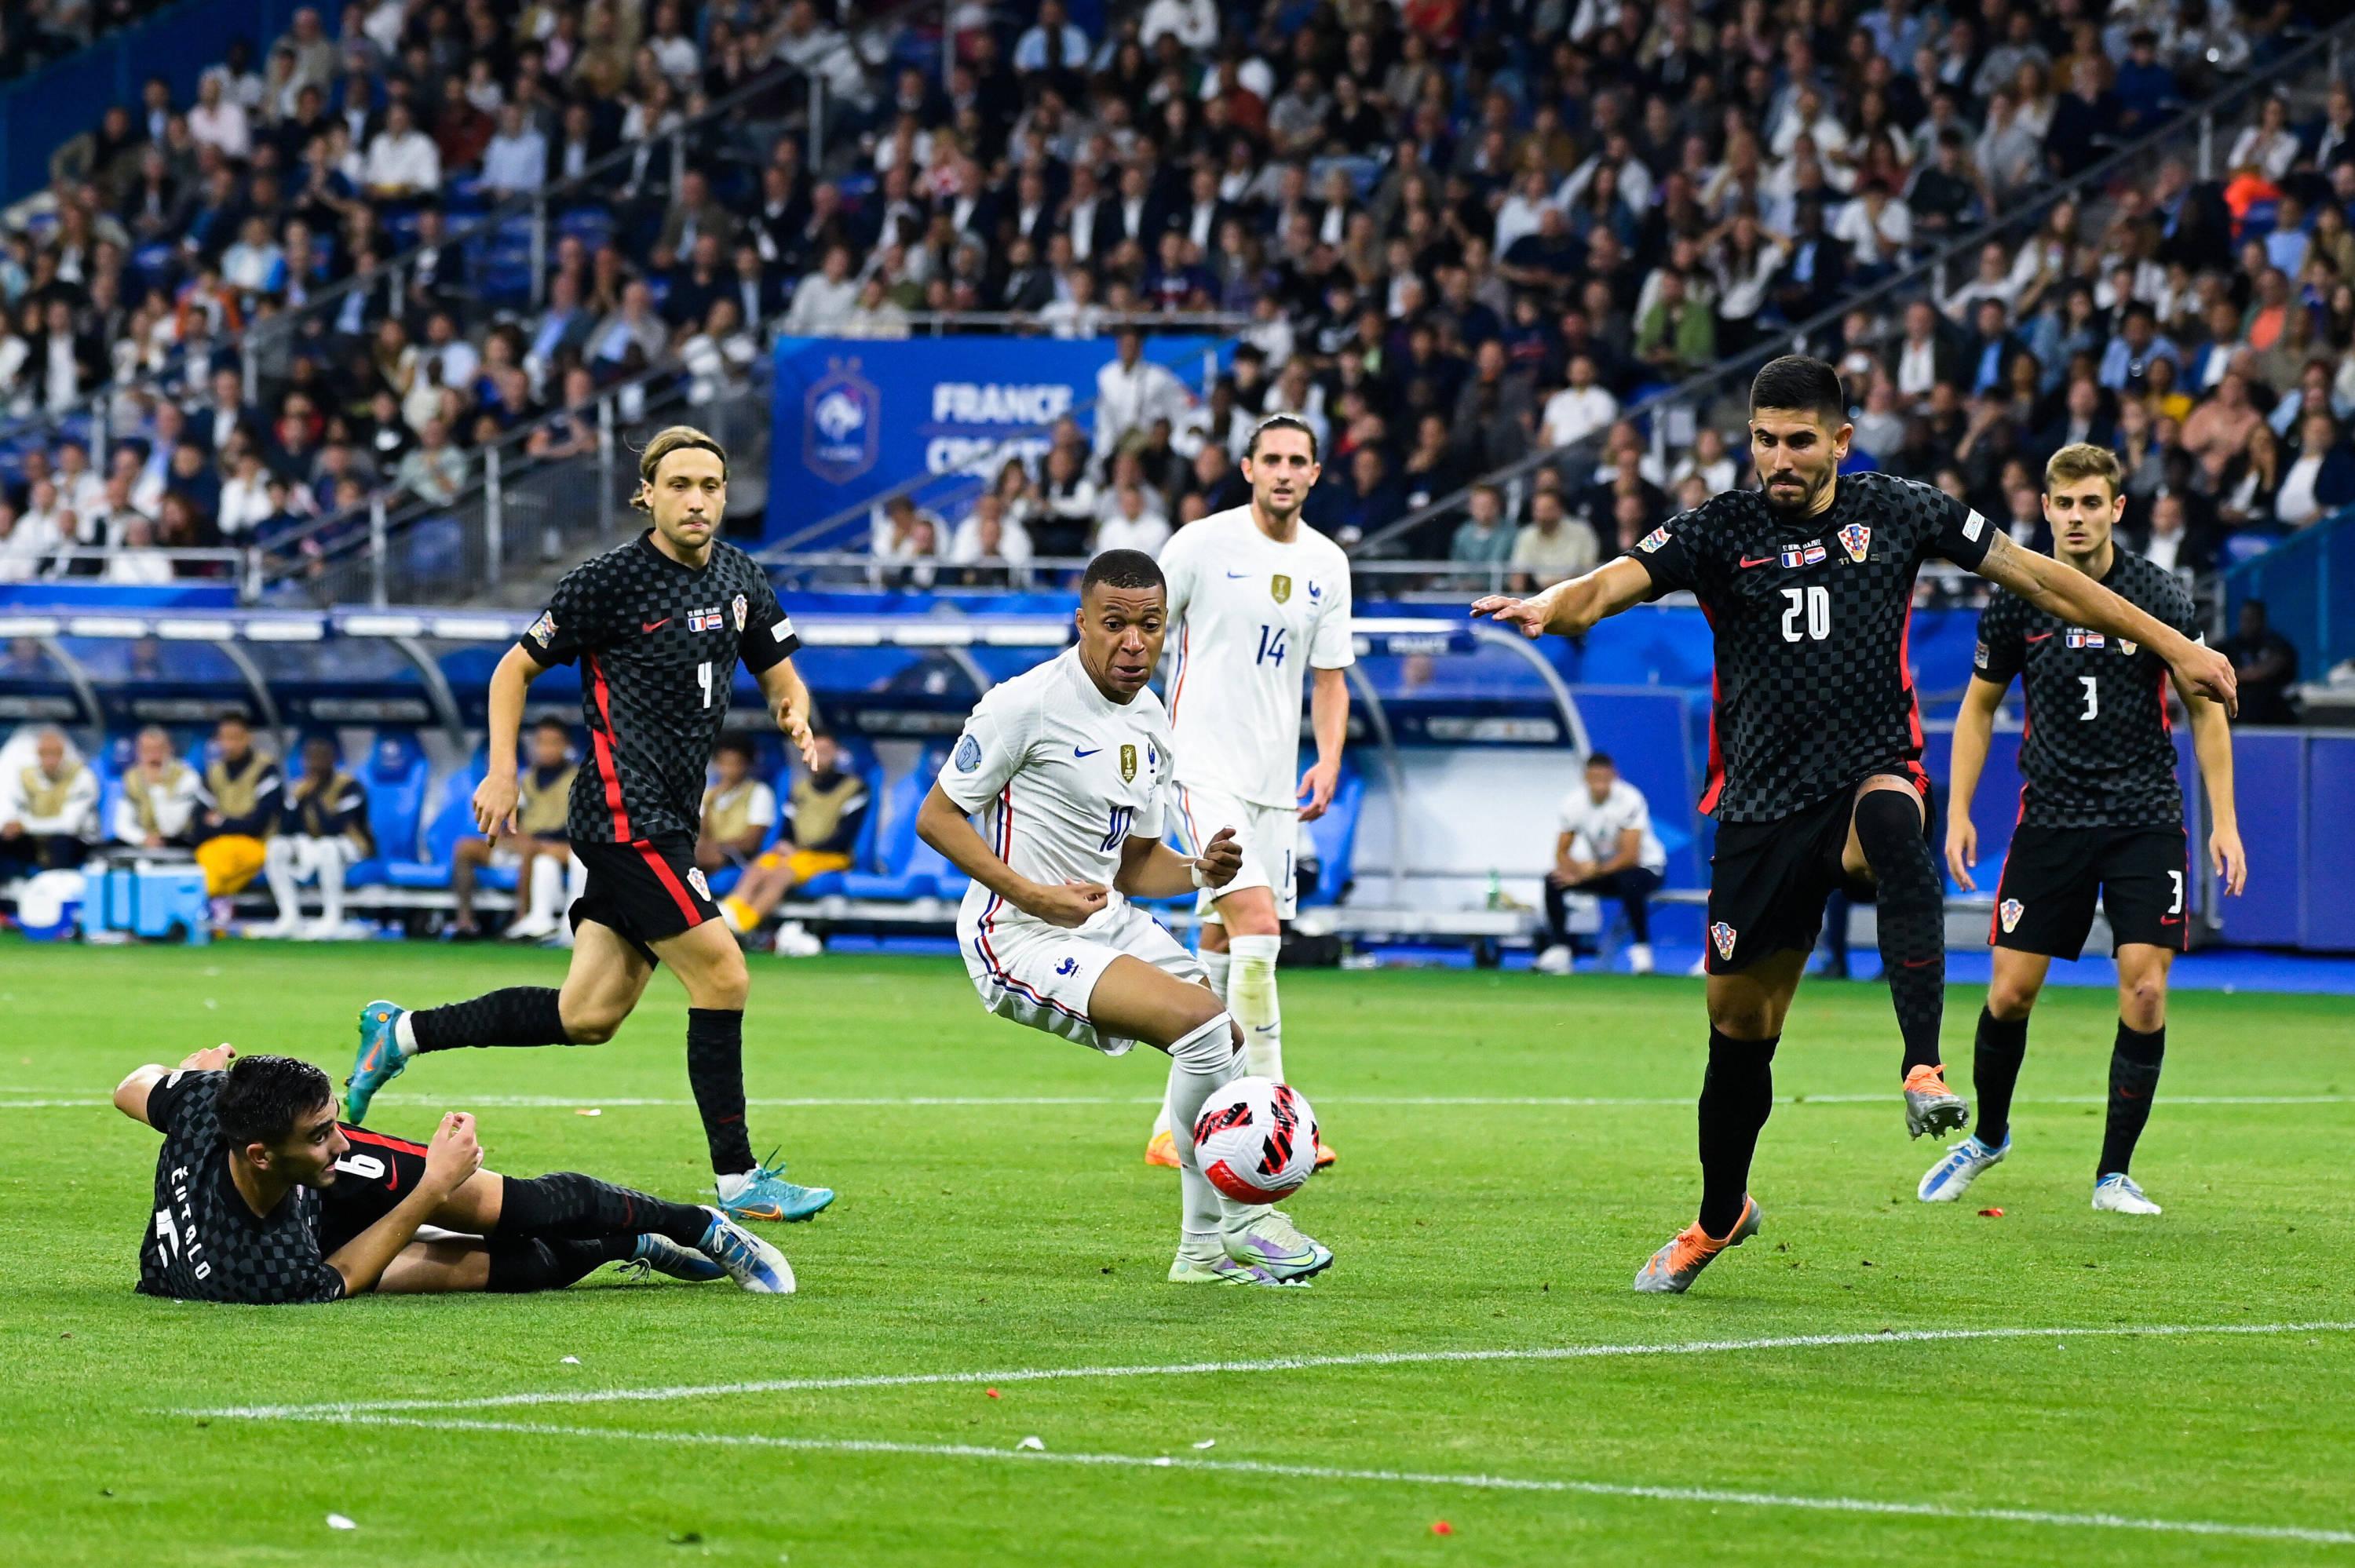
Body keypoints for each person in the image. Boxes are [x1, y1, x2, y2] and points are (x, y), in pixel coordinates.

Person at [1473, 356, 2237, 1294]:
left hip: (1870, 772)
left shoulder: (1902, 509)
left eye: (1800, 441)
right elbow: (1618, 580)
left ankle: (1923, 1065)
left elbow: (2044, 579)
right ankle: (1721, 1217)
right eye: (1765, 440)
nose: (1780, 459)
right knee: (1738, 1030)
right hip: (1759, 807)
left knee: (1890, 818)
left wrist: (2173, 644)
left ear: (1841, 439)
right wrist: (1550, 603)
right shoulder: (1722, 528)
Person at [341, 427, 837, 1226]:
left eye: (711, 484)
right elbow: (514, 668)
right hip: (619, 812)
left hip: (671, 821)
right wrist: (501, 771)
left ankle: (399, 1035)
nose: (699, 499)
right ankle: (740, 1179)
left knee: (588, 1017)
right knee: (724, 974)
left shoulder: (743, 578)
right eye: (680, 485)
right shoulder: (608, 582)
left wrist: (793, 712)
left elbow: (781, 671)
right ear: (647, 494)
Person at [913, 549, 1325, 1285]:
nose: (1133, 642)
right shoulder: (1025, 703)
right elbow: (937, 818)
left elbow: (1134, 865)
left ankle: (1203, 1255)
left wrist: (1200, 870)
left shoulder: (1151, 719)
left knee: (1220, 1035)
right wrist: (1033, 895)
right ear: (1082, 622)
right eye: (1114, 625)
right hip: (1016, 933)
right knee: (1202, 1027)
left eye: (1150, 626)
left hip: (1104, 915)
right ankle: (1242, 1227)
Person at [1929, 443, 2245, 1216]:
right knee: (2010, 993)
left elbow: (2205, 705)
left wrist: (2224, 822)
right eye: (2064, 504)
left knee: (2143, 990)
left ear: (2116, 510)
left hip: (2144, 817)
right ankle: (1991, 1136)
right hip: (2054, 819)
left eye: (2090, 504)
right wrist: (1962, 810)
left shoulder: (2158, 595)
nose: (2076, 517)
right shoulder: (2018, 596)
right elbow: (1977, 708)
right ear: (2046, 509)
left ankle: (2113, 1175)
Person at [117, 1045, 792, 1302]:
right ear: (261, 1153)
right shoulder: (256, 1272)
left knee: (523, 1207)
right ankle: (636, 1246)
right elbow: (343, 1277)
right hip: (313, 1250)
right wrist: (432, 1188)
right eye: (321, 1133)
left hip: (311, 1195)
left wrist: (191, 1072)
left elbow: (131, 1085)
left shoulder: (210, 1107)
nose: (341, 1139)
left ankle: (701, 1226)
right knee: (515, 1268)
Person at [1141, 415, 1349, 1173]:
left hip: (1273, 788)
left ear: (1316, 474)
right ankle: (1280, 1112)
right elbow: (1143, 638)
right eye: (1273, 460)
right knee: (1260, 931)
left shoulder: (1329, 562)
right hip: (1200, 771)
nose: (1286, 472)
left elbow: (1330, 677)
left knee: (1227, 948)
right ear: (1249, 468)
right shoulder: (1200, 543)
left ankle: (1172, 1127)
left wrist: (1327, 759)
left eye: (1299, 461)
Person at [717, 731, 869, 950]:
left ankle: (744, 924)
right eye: (814, 751)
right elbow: (787, 831)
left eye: (825, 751)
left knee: (782, 872)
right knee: (762, 865)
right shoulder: (799, 790)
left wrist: (797, 851)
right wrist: (785, 846)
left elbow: (844, 838)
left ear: (837, 754)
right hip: (798, 854)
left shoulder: (854, 789)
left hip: (832, 857)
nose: (820, 757)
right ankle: (731, 911)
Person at [1535, 753, 1667, 975]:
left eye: (1605, 779)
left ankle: (1642, 952)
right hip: (1604, 873)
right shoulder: (1573, 803)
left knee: (1630, 880)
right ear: (1585, 778)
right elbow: (1561, 853)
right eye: (1595, 779)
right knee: (1554, 880)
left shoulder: (1630, 799)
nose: (1600, 785)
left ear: (1614, 776)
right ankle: (1560, 949)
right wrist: (1575, 870)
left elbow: (1630, 857)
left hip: (1647, 869)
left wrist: (1590, 872)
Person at [449, 717, 576, 941]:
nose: (546, 749)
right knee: (465, 847)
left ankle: (521, 920)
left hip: (558, 846)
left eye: (553, 742)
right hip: (523, 842)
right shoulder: (526, 778)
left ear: (566, 745)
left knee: (529, 849)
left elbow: (577, 824)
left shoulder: (577, 778)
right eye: (541, 742)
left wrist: (538, 841)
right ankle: (465, 922)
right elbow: (513, 818)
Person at [257, 734, 374, 940]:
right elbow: (286, 828)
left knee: (328, 847)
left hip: (352, 847)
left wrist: (314, 797)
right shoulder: (299, 788)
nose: (315, 765)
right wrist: (297, 800)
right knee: (277, 846)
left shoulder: (349, 787)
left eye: (321, 758)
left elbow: (334, 828)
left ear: (332, 760)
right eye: (310, 759)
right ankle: (289, 916)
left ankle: (332, 917)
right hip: (312, 846)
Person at [193, 713, 281, 899]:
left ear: (248, 738)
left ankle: (198, 910)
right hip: (217, 846)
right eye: (225, 738)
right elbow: (199, 824)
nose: (230, 744)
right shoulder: (213, 772)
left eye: (235, 738)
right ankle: (213, 914)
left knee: (219, 865)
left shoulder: (266, 769)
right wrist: (235, 823)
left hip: (256, 846)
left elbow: (257, 825)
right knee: (207, 855)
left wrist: (220, 821)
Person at [0, 725, 98, 873]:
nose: (50, 760)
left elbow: (68, 825)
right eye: (45, 753)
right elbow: (14, 807)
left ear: (64, 754)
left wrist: (24, 825)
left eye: (55, 753)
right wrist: (9, 825)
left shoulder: (82, 777)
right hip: (37, 840)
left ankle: (59, 887)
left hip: (75, 843)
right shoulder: (27, 776)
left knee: (59, 842)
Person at [696, 735, 777, 879]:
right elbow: (701, 836)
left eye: (735, 764)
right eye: (724, 764)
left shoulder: (759, 792)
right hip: (710, 851)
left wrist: (717, 846)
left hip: (740, 856)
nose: (728, 770)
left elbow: (752, 842)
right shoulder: (709, 794)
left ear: (747, 764)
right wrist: (708, 806)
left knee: (698, 857)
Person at [112, 725, 206, 851]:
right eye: (146, 750)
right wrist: (142, 838)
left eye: (158, 750)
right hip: (144, 840)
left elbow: (171, 828)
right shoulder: (132, 777)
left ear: (170, 749)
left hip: (179, 841)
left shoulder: (186, 777)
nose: (152, 757)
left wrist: (157, 786)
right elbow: (122, 824)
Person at [2218, 600, 2299, 725]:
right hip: (2239, 712)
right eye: (2244, 619)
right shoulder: (2230, 646)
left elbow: (2263, 671)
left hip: (2274, 711)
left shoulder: (2277, 645)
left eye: (2252, 619)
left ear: (2262, 620)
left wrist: (2234, 675)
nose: (2247, 624)